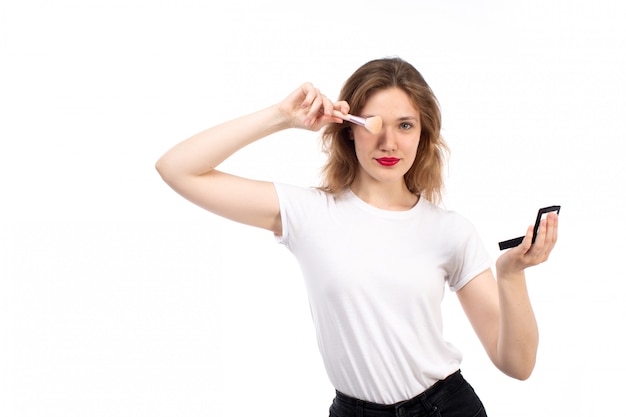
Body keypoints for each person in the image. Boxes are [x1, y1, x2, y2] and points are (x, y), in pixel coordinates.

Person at [156, 57, 558, 417]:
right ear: (348, 130)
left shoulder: (451, 231)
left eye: (405, 125)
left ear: (423, 134)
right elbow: (177, 169)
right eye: (372, 125)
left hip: (445, 407)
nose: (389, 143)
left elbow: (518, 365)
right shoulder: (310, 213)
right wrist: (281, 117)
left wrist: (510, 275)